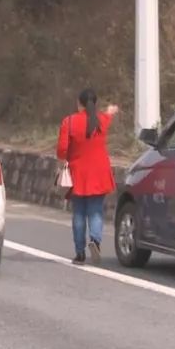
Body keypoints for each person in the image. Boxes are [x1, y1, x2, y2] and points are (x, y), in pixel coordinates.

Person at [57, 88, 118, 265]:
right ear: (94, 104)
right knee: (96, 211)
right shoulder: (101, 121)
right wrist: (111, 110)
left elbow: (61, 150)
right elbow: (108, 115)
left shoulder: (69, 122)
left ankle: (79, 252)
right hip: (99, 173)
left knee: (79, 213)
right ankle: (95, 241)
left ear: (79, 103)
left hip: (78, 173)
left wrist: (64, 160)